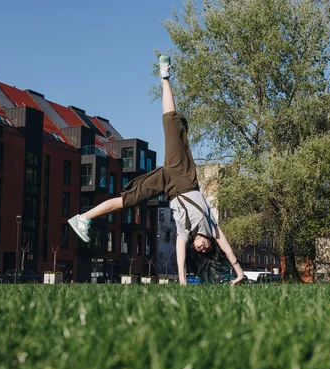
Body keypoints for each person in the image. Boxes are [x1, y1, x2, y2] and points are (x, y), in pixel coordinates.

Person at [69, 55, 245, 285]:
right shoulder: (212, 227)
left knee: (125, 200)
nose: (201, 248)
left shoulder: (184, 233)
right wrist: (239, 272)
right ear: (211, 243)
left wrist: (182, 281)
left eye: (199, 250)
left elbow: (180, 255)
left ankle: (82, 218)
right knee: (171, 123)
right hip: (183, 174)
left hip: (167, 184)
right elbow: (227, 248)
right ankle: (165, 77)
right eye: (206, 248)